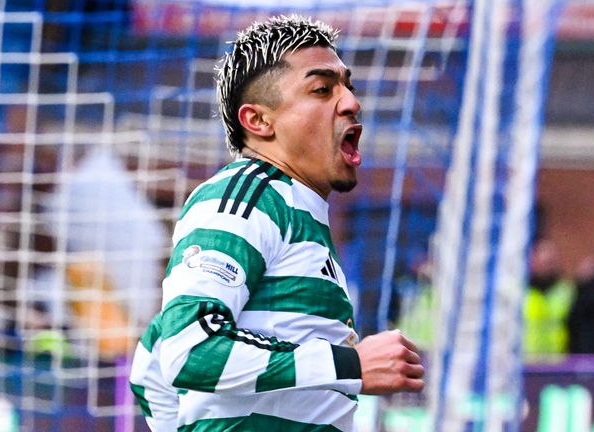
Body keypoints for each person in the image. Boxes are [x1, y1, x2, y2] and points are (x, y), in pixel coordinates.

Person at [129, 15, 424, 432]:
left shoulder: (296, 214)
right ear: (259, 121)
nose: (351, 102)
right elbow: (189, 348)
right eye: (322, 89)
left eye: (348, 86)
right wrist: (350, 362)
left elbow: (151, 358)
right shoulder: (248, 197)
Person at [522, 238, 575, 360]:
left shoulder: (566, 290)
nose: (548, 266)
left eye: (551, 261)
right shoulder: (518, 290)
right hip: (524, 363)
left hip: (557, 363)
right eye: (544, 261)